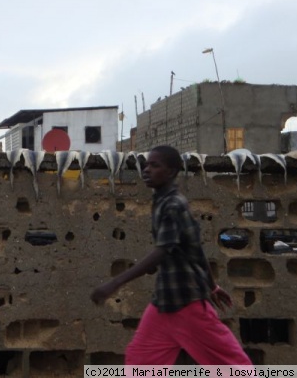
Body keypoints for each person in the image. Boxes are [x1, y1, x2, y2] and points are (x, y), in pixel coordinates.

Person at [90, 145, 251, 365]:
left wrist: (115, 283)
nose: (147, 170)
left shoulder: (174, 205)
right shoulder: (162, 201)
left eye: (155, 165)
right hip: (164, 304)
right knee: (138, 363)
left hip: (187, 303)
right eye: (146, 165)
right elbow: (195, 248)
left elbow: (162, 251)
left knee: (234, 366)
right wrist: (212, 286)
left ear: (171, 172)